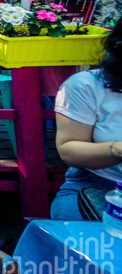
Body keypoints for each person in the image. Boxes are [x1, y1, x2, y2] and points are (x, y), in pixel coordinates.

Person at [51, 21, 122, 220]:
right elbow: (69, 150)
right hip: (99, 184)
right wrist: (117, 149)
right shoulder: (87, 86)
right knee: (86, 242)